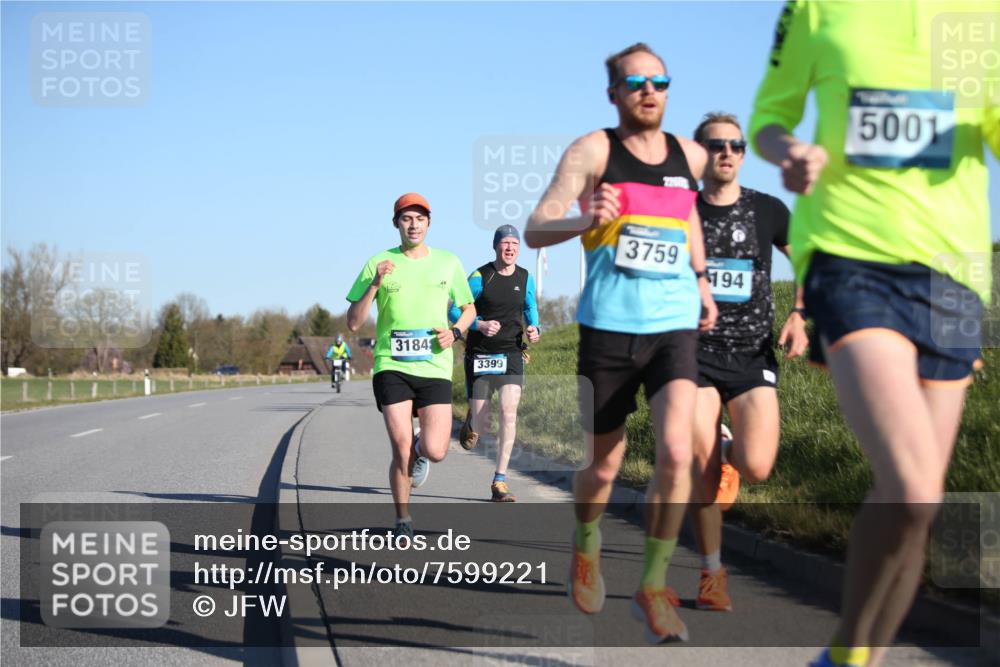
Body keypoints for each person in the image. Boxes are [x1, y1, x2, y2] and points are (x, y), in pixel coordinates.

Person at [749, 2, 998, 665]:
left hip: (954, 273)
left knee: (917, 501)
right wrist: (789, 151)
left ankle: (852, 656)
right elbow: (768, 117)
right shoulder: (818, 9)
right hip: (850, 255)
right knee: (914, 487)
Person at [524, 42, 717, 643]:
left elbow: (689, 216)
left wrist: (702, 281)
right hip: (608, 327)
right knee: (603, 466)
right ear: (614, 93)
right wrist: (584, 218)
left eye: (660, 80)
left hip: (673, 324)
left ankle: (653, 586)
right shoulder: (593, 151)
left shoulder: (690, 154)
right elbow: (535, 227)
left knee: (678, 452)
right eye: (636, 82)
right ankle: (586, 542)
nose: (649, 91)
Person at [664, 111, 808, 612]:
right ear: (699, 154)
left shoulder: (768, 209)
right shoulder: (680, 211)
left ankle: (728, 448)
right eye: (716, 144)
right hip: (695, 355)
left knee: (758, 466)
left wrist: (800, 313)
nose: (726, 152)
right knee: (701, 474)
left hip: (752, 355)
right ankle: (711, 574)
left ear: (743, 155)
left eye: (735, 145)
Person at [346, 193, 476, 538]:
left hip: (434, 365)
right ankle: (402, 519)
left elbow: (469, 309)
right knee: (399, 447)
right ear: (396, 224)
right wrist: (374, 284)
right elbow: (354, 323)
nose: (413, 225)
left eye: (420, 219)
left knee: (435, 450)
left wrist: (455, 332)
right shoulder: (378, 262)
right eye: (406, 219)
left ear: (429, 224)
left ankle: (421, 450)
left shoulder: (448, 262)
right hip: (392, 365)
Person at [449, 224, 541, 502]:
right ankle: (472, 421)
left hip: (511, 354)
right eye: (505, 243)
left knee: (508, 412)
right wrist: (479, 324)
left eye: (515, 243)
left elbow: (530, 306)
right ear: (496, 246)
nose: (510, 248)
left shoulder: (525, 277)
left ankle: (499, 481)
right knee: (482, 423)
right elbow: (454, 310)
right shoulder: (481, 276)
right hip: (481, 355)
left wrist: (534, 327)